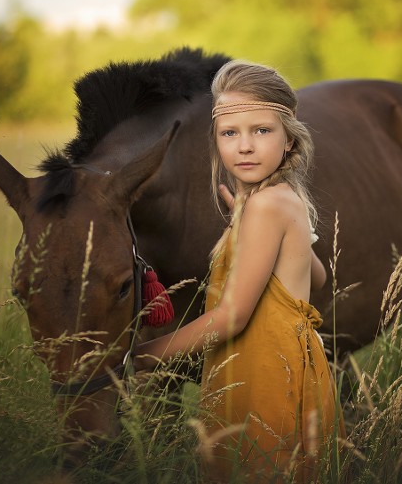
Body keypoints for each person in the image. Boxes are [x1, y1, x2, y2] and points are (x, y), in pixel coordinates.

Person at [134, 60, 343, 481]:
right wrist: (244, 229)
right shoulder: (284, 200)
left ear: (288, 139)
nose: (244, 146)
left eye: (261, 130)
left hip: (264, 381)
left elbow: (233, 315)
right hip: (288, 370)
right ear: (216, 140)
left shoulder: (265, 207)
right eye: (230, 133)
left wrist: (140, 357)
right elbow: (316, 278)